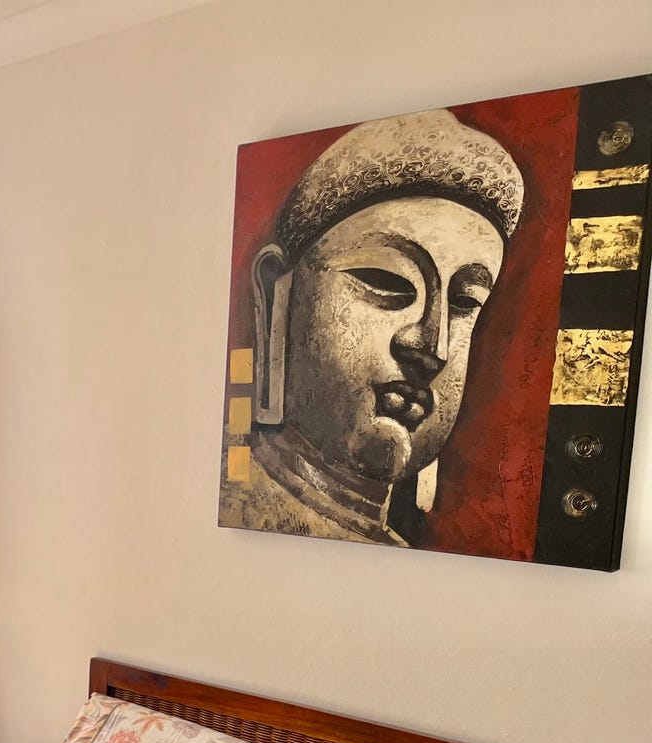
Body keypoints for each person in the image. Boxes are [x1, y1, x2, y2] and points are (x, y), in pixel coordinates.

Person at [221, 108, 524, 546]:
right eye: (388, 280)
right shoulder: (235, 501)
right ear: (276, 296)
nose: (433, 346)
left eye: (464, 303)